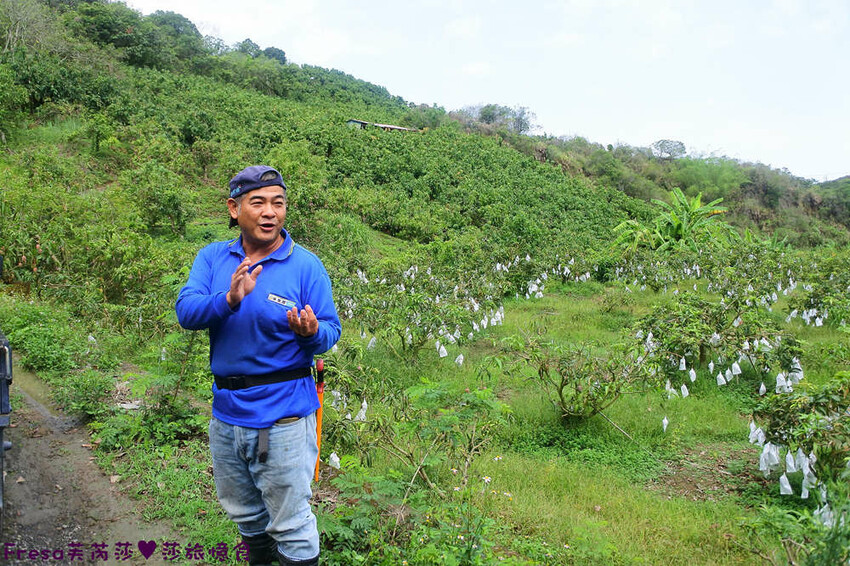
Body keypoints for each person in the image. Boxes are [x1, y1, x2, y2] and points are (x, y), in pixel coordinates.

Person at [175, 165, 341, 566]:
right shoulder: (213, 258)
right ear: (234, 208)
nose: (270, 212)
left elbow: (330, 331)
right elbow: (186, 310)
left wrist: (310, 333)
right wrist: (228, 300)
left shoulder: (305, 265)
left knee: (292, 525)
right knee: (247, 516)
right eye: (259, 203)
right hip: (227, 415)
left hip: (282, 419)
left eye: (278, 203)